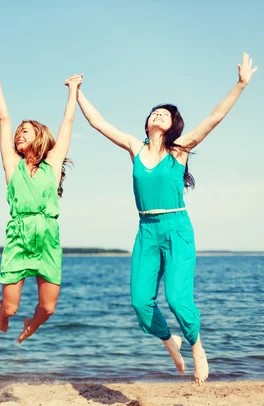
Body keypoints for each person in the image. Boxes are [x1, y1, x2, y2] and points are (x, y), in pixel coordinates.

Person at [75, 53, 257, 385]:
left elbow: (214, 117)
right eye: (154, 112)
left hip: (176, 228)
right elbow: (97, 122)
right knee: (140, 302)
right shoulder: (134, 146)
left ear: (173, 125)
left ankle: (197, 347)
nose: (159, 114)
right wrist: (76, 92)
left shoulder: (179, 150)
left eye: (166, 113)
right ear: (146, 123)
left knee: (177, 297)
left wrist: (241, 84)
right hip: (146, 230)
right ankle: (169, 340)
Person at [0, 67, 81, 344]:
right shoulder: (11, 164)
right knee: (11, 307)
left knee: (49, 307)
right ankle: (2, 314)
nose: (18, 135)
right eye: (18, 133)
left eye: (25, 132)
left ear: (39, 136)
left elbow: (68, 122)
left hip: (48, 237)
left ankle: (31, 326)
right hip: (18, 236)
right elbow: (4, 119)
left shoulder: (52, 166)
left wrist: (73, 90)